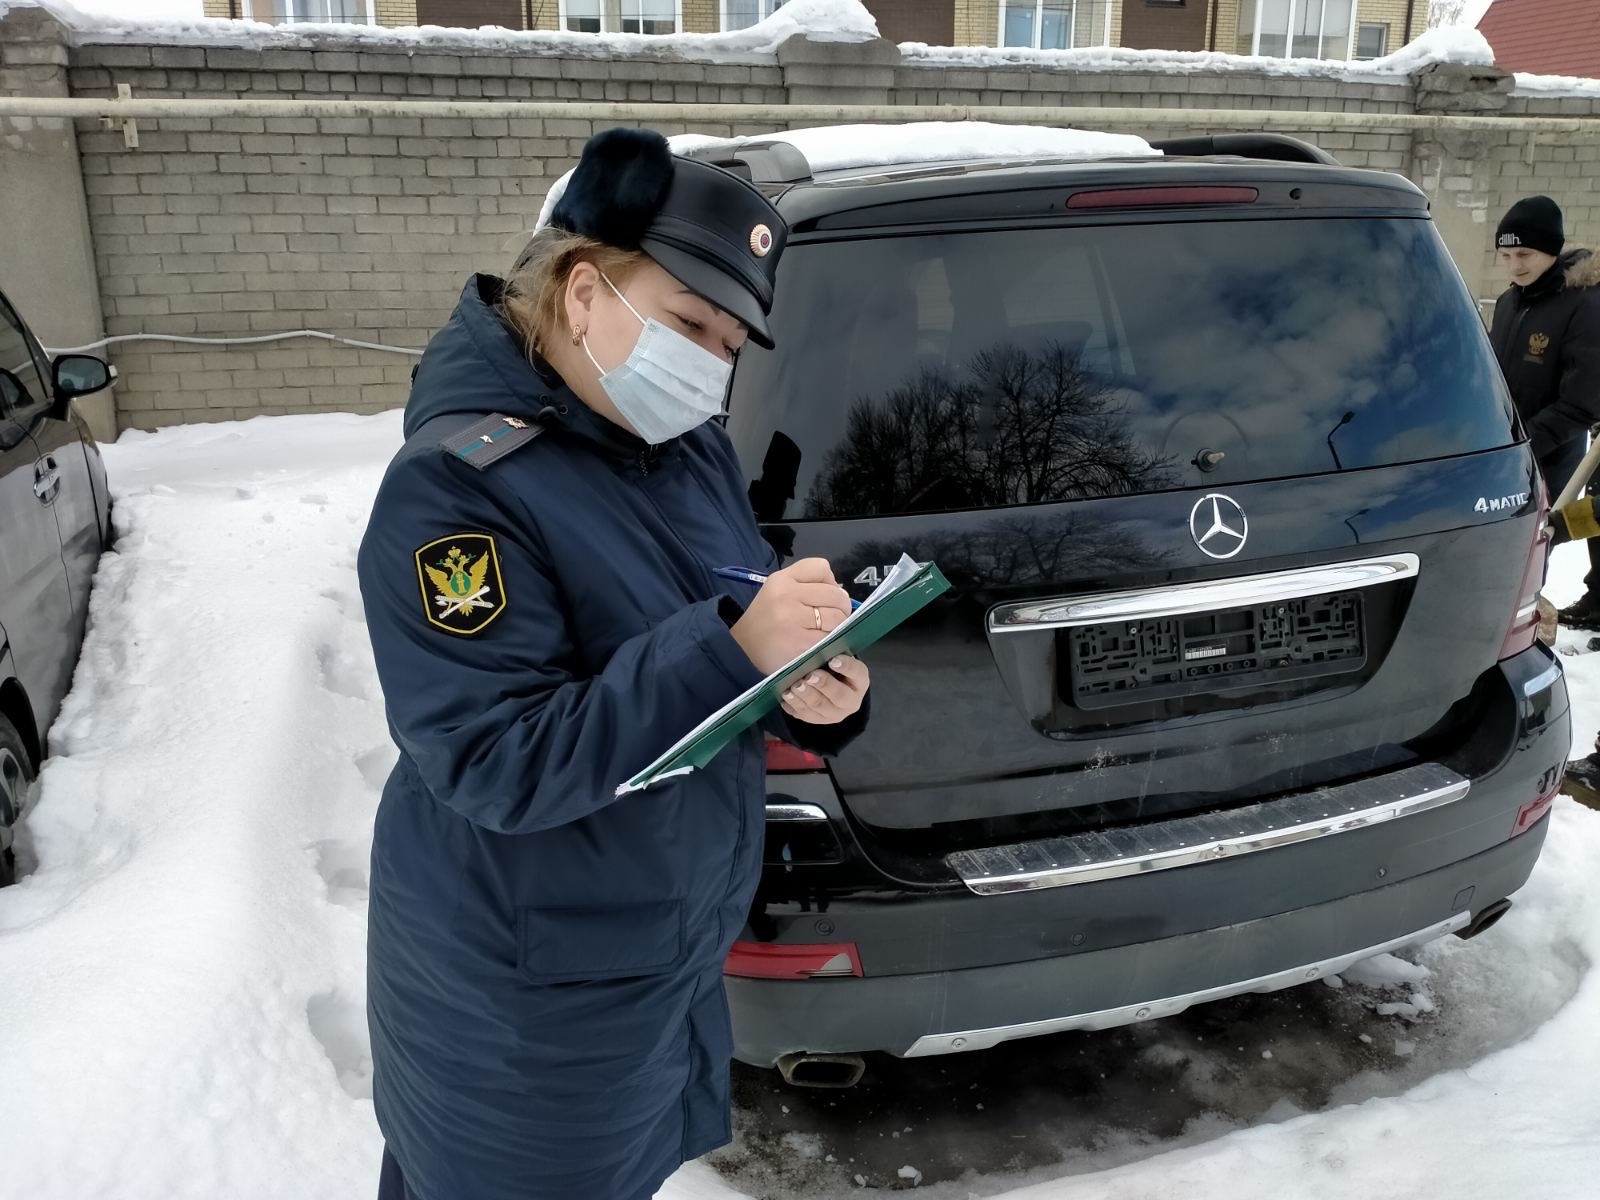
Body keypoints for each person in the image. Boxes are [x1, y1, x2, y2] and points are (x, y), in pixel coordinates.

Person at [356, 127, 872, 1200]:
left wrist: (803, 690)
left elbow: (725, 642)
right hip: (526, 998)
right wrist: (733, 653)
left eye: (731, 342)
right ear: (583, 292)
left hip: (647, 965)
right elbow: (496, 759)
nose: (711, 362)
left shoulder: (677, 452)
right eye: (689, 322)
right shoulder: (458, 490)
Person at [1488, 195, 1600, 626]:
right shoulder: (1508, 302)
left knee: (1534, 540)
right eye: (1506, 255)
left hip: (1550, 451)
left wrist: (1526, 443)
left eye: (1525, 254)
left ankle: (1521, 624)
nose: (1515, 265)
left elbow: (1584, 401)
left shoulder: (1584, 305)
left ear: (1551, 250)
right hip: (1503, 444)